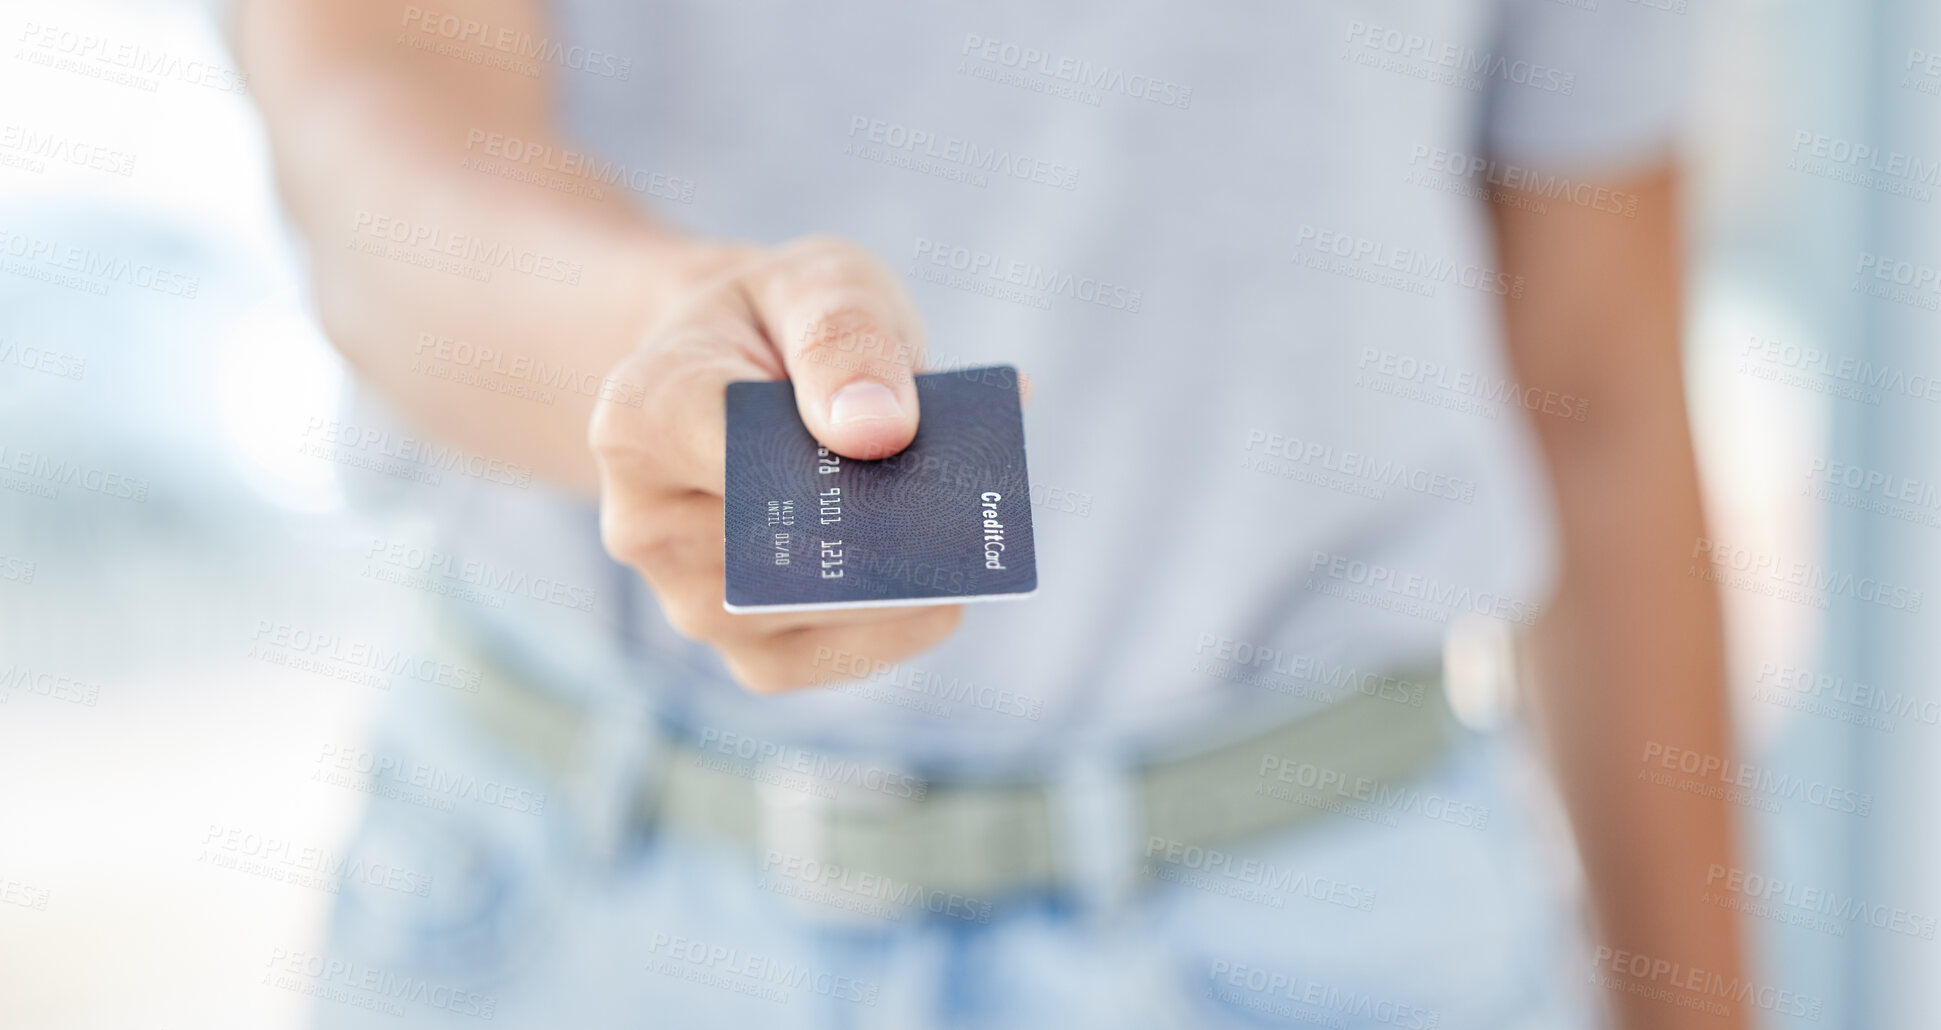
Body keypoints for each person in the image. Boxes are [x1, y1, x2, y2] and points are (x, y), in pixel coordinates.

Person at [236, 0, 1746, 1026]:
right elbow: (371, 143)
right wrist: (654, 335)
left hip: (1322, 922)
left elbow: (1596, 388)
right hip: (576, 905)